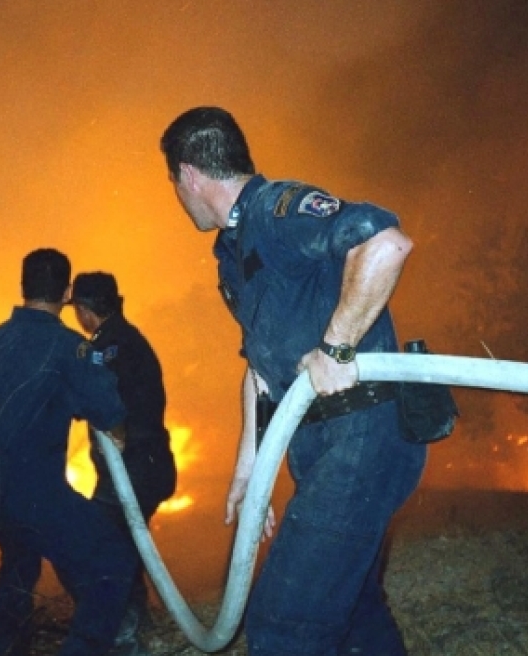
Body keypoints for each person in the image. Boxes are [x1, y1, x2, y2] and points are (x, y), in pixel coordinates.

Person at [160, 107, 427, 656]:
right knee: (353, 613)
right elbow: (259, 370)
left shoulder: (277, 211)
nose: (176, 197)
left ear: (188, 174)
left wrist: (337, 346)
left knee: (284, 624)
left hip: (362, 433)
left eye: (172, 184)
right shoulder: (232, 256)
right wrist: (248, 470)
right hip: (324, 447)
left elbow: (385, 244)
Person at [0, 248, 138, 656]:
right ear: (66, 293)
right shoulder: (70, 348)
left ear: (23, 287)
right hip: (33, 491)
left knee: (18, 566)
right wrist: (119, 434)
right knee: (113, 560)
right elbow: (108, 409)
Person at [69, 272, 178, 653]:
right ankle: (138, 625)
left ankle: (126, 634)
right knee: (124, 545)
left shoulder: (108, 347)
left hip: (134, 470)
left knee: (107, 547)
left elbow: (107, 404)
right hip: (143, 466)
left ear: (84, 311)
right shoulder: (126, 340)